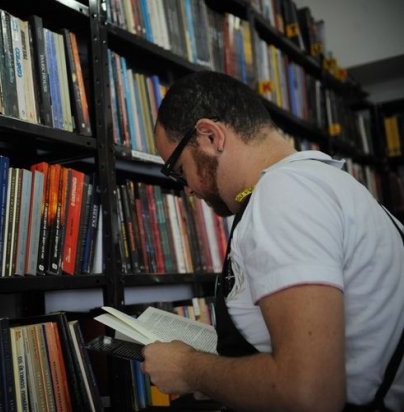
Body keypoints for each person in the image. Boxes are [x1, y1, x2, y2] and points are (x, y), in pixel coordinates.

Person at [141, 71, 404, 411]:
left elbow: (310, 394)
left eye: (178, 170)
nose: (187, 188)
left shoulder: (283, 195)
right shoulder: (323, 183)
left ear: (209, 136)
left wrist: (188, 368)